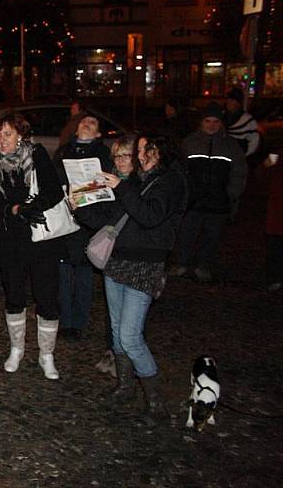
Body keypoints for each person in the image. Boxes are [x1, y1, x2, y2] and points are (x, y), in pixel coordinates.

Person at [73, 133, 187, 425]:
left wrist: (122, 187)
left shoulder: (170, 182)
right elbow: (108, 220)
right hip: (117, 262)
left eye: (142, 149)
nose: (137, 155)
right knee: (116, 330)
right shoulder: (136, 181)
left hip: (144, 265)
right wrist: (80, 205)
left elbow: (149, 216)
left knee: (130, 336)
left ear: (158, 151)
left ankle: (155, 401)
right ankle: (124, 387)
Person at [0, 112, 63, 379]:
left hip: (41, 237)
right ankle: (16, 349)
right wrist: (12, 209)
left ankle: (47, 354)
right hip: (11, 239)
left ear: (20, 135)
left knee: (46, 297)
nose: (2, 139)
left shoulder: (37, 155)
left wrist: (29, 208)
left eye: (7, 134)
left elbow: (53, 191)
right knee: (14, 297)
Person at [169, 102, 247, 282]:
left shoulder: (230, 146)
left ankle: (203, 265)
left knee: (212, 236)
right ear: (201, 122)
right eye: (207, 121)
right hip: (193, 201)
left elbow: (239, 172)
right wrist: (183, 194)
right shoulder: (189, 143)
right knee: (186, 234)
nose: (211, 125)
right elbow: (179, 170)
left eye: (215, 121)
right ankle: (181, 263)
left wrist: (231, 194)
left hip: (218, 201)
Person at [53, 113, 113, 340]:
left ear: (98, 133)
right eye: (83, 122)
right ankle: (64, 321)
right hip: (66, 220)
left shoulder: (103, 154)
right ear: (76, 129)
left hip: (90, 221)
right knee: (63, 273)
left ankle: (79, 322)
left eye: (93, 123)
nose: (86, 124)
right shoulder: (62, 152)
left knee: (85, 274)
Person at [95, 135, 136, 378]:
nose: (121, 161)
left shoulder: (139, 183)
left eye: (126, 155)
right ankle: (115, 355)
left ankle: (129, 361)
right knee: (114, 314)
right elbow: (100, 218)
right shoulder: (108, 181)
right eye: (117, 156)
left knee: (130, 319)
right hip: (112, 254)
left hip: (135, 256)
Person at [263, 149, 283, 292]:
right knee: (275, 248)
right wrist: (265, 166)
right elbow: (262, 176)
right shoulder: (277, 154)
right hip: (277, 213)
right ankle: (275, 279)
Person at [223, 87, 260, 157]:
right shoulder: (221, 115)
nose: (229, 102)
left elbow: (254, 140)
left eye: (233, 100)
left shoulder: (247, 119)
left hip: (237, 157)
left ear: (239, 103)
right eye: (228, 99)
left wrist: (245, 155)